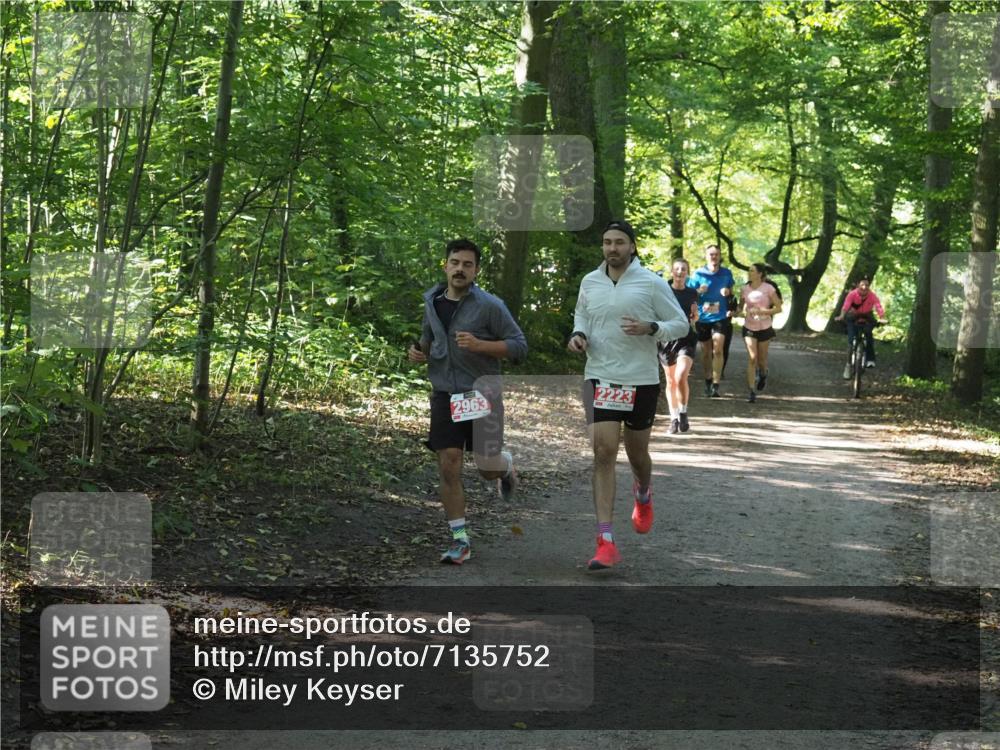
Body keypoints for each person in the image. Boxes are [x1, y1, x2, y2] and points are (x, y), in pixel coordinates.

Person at [567, 220, 689, 570]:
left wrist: (652, 327)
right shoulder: (590, 281)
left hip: (640, 380)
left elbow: (680, 324)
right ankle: (605, 540)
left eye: (619, 242)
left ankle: (643, 492)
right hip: (600, 376)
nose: (612, 248)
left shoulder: (651, 283)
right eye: (607, 242)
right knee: (603, 452)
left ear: (632, 247)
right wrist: (578, 334)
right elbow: (582, 314)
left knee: (637, 455)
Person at [408, 238, 527, 565]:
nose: (460, 269)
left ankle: (504, 466)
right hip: (445, 393)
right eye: (455, 262)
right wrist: (420, 352)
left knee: (486, 468)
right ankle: (460, 539)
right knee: (449, 463)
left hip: (480, 393)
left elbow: (519, 346)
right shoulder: (432, 301)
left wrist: (480, 346)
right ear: (445, 265)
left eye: (467, 264)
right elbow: (427, 339)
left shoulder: (490, 305)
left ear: (476, 270)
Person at [689, 244, 736, 397]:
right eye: (711, 254)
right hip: (703, 318)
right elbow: (690, 294)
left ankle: (716, 384)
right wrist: (699, 291)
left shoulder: (726, 273)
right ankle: (708, 379)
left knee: (718, 349)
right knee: (706, 352)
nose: (714, 257)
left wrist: (728, 292)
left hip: (720, 317)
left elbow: (732, 295)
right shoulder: (698, 274)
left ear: (719, 256)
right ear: (706, 256)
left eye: (716, 254)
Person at [659, 258, 699, 433]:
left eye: (683, 269)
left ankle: (683, 412)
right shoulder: (663, 291)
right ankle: (673, 418)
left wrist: (695, 317)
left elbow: (694, 313)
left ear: (687, 272)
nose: (680, 272)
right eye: (677, 269)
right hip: (666, 340)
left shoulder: (692, 292)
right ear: (672, 272)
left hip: (686, 338)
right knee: (670, 381)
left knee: (681, 376)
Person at [738, 263, 782, 403]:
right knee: (752, 357)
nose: (749, 273)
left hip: (765, 327)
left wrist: (763, 312)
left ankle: (763, 374)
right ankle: (751, 390)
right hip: (749, 327)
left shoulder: (769, 288)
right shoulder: (745, 288)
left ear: (760, 274)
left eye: (752, 271)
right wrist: (736, 312)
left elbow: (779, 308)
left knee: (762, 360)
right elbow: (740, 307)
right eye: (749, 270)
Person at [834, 277, 887, 378]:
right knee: (851, 340)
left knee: (869, 335)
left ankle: (870, 360)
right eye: (862, 284)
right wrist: (841, 316)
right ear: (858, 285)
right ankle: (848, 366)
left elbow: (878, 306)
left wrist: (882, 317)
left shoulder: (872, 295)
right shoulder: (852, 294)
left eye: (867, 285)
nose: (864, 287)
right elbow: (846, 306)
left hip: (867, 316)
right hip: (853, 317)